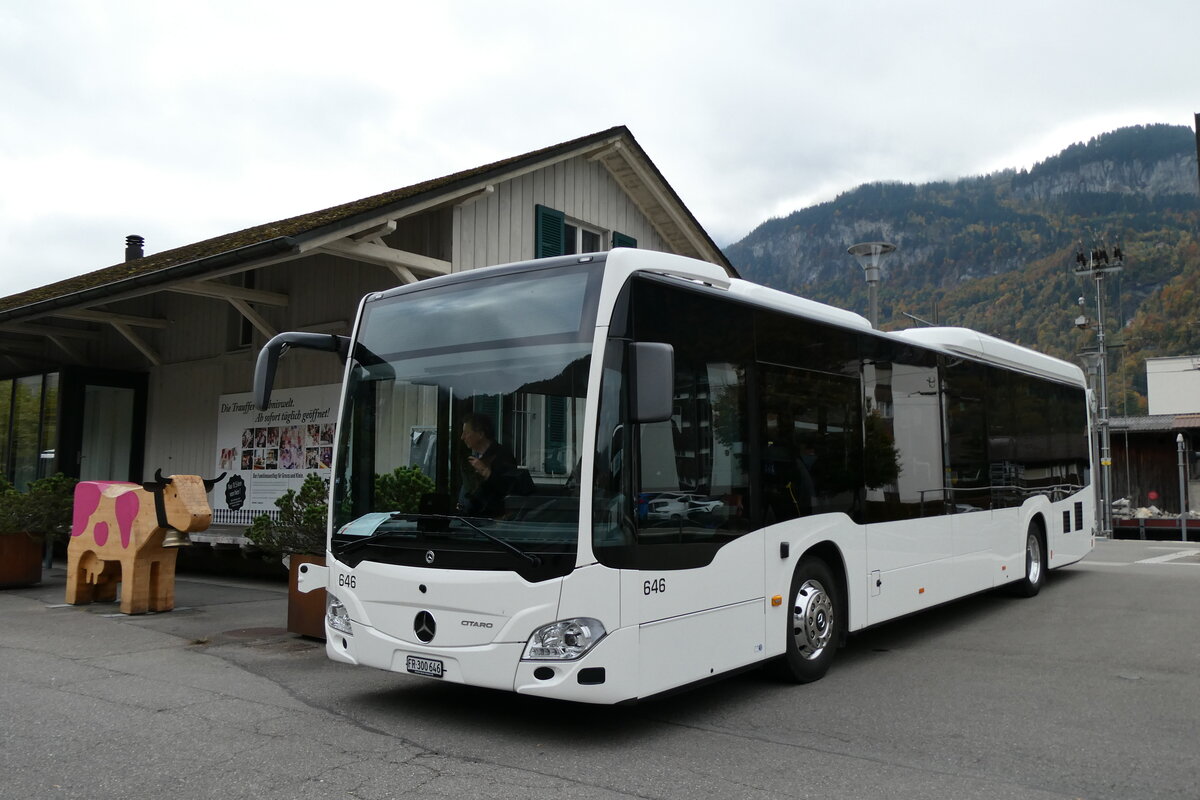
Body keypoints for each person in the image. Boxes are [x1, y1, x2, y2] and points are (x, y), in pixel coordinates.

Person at [457, 412, 529, 517]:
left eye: (466, 432)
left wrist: (487, 473)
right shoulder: (474, 457)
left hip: (490, 525)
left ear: (481, 434)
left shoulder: (504, 457)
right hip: (469, 521)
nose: (462, 437)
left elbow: (508, 492)